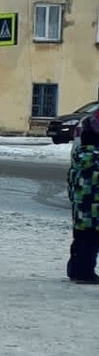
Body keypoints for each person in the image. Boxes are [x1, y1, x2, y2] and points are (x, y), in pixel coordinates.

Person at [66, 109, 99, 284]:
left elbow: (70, 182)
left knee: (79, 238)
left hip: (80, 209)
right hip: (95, 211)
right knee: (91, 242)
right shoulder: (97, 161)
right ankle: (85, 273)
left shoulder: (79, 159)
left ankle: (74, 269)